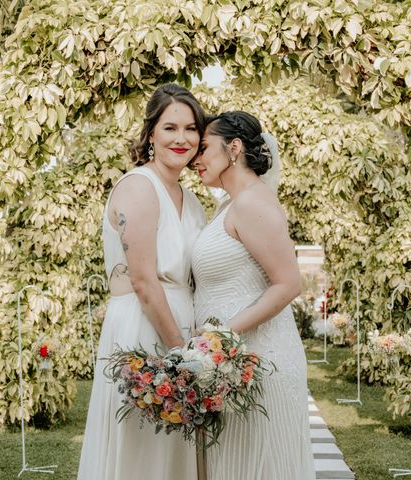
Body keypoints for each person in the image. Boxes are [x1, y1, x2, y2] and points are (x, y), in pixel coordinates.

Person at [77, 84, 207, 480]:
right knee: (143, 447)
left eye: (191, 128)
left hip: (184, 328)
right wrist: (182, 354)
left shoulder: (193, 199)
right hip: (144, 327)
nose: (181, 138)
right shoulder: (138, 186)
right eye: (170, 128)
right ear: (151, 134)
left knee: (176, 447)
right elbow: (144, 282)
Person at [191, 111, 316, 479]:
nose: (195, 160)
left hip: (261, 365)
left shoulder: (251, 202)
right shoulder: (230, 204)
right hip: (232, 367)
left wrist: (222, 335)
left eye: (203, 148)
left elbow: (289, 283)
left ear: (234, 148)